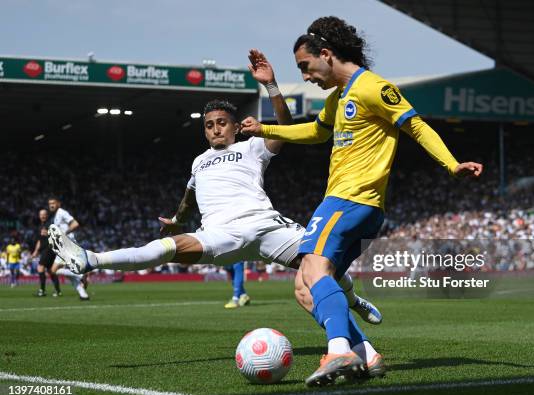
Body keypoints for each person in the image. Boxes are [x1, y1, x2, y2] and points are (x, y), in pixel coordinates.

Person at [49, 49, 381, 324]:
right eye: (209, 125)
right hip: (221, 233)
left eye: (222, 123)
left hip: (265, 224)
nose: (216, 129)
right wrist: (178, 220)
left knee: (320, 267)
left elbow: (285, 126)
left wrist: (272, 86)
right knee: (162, 248)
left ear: (235, 127)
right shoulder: (198, 162)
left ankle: (354, 300)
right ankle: (91, 259)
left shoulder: (252, 145)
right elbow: (189, 196)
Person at [240, 16, 483, 386]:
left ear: (326, 54)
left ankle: (338, 351)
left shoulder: (372, 87)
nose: (306, 76)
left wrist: (451, 165)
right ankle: (366, 356)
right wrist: (266, 129)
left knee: (315, 270)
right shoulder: (339, 98)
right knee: (306, 288)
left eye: (306, 67)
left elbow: (415, 124)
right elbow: (316, 132)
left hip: (349, 200)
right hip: (359, 208)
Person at [48, 196, 90, 300]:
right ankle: (83, 294)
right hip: (63, 246)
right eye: (50, 204)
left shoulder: (62, 212)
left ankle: (80, 276)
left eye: (53, 203)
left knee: (54, 270)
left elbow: (75, 224)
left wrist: (64, 234)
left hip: (68, 245)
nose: (51, 205)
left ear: (58, 204)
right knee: (64, 273)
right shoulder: (56, 215)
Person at [31, 208, 62, 297]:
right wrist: (36, 251)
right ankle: (58, 291)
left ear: (47, 215)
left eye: (44, 214)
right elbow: (39, 241)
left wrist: (48, 233)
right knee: (51, 271)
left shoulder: (51, 224)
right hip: (44, 249)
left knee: (40, 268)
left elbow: (58, 235)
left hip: (49, 249)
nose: (43, 216)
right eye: (41, 214)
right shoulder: (40, 226)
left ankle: (42, 291)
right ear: (39, 216)